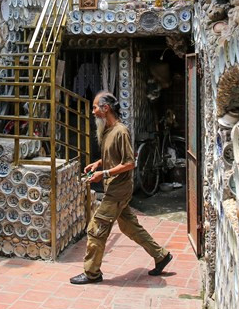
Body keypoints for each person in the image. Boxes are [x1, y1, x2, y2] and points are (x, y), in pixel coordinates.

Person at [70, 91, 173, 285]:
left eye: (94, 107)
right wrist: (98, 164)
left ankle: (92, 273)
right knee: (129, 226)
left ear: (105, 108)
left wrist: (104, 174)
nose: (93, 112)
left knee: (96, 229)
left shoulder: (121, 131)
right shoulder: (108, 130)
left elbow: (129, 163)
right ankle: (161, 255)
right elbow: (113, 156)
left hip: (118, 189)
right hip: (115, 188)